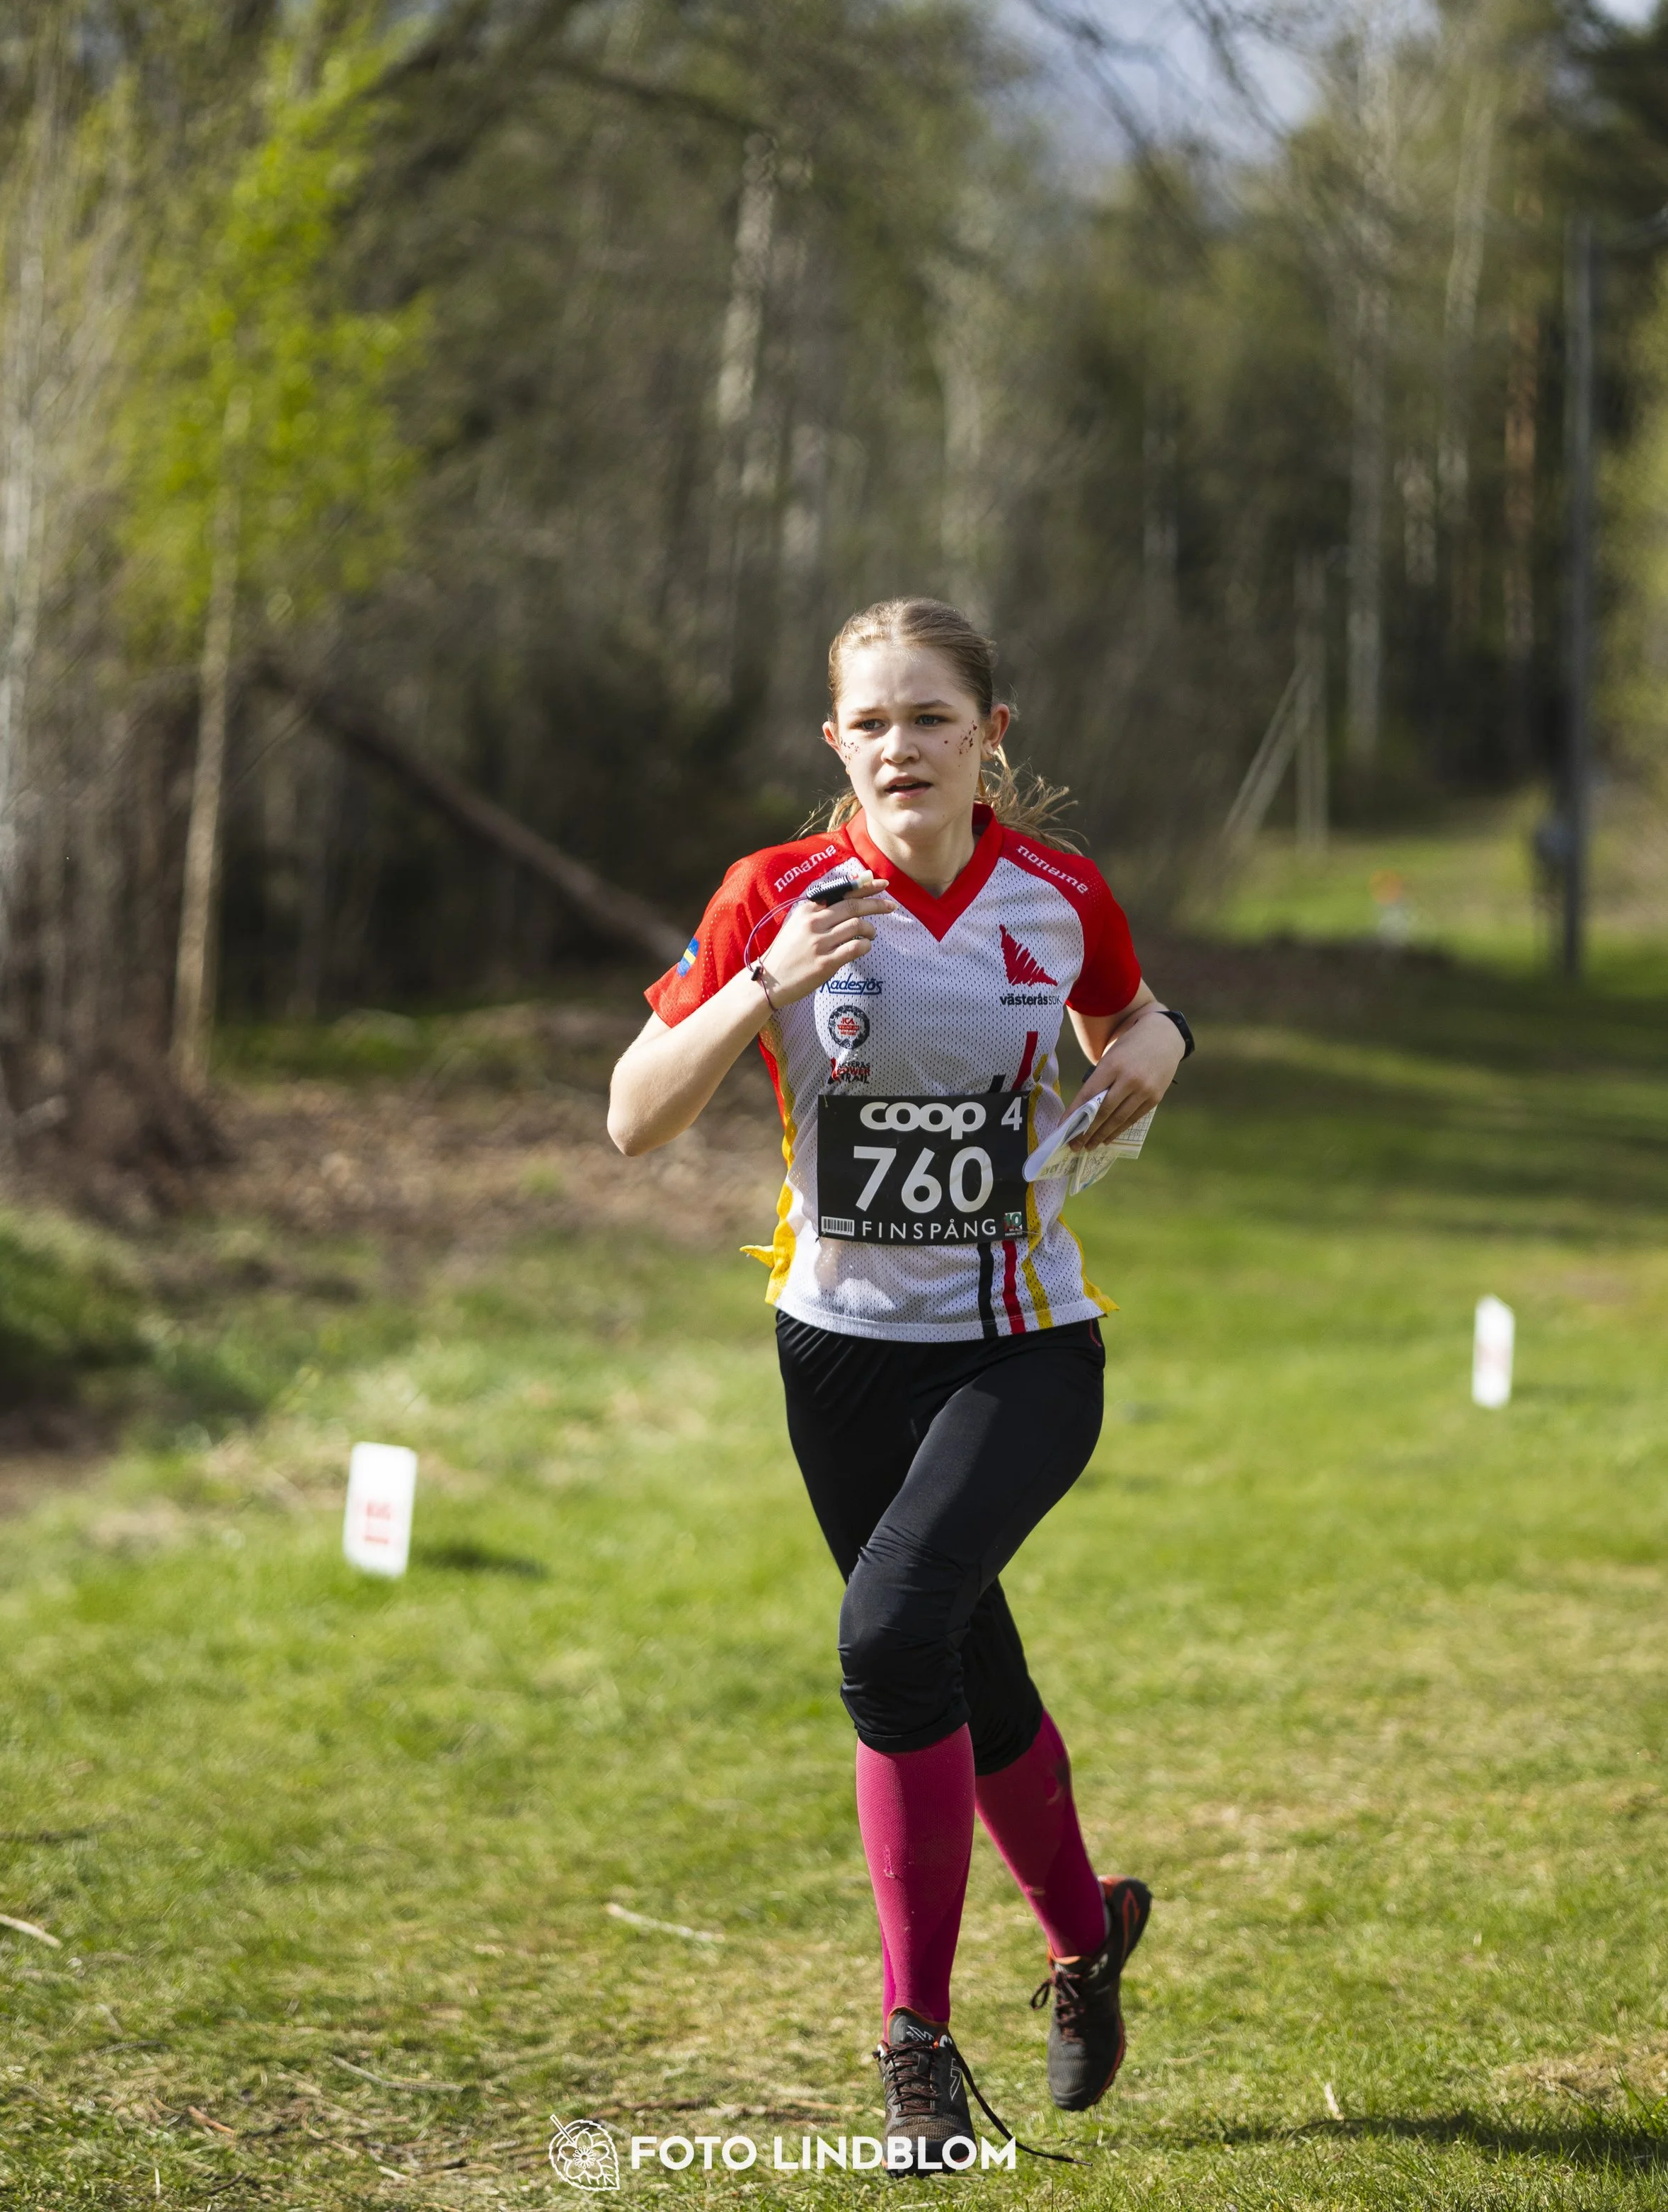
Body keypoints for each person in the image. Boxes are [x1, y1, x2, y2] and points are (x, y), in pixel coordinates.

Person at [607, 597, 1191, 2169]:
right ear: (833, 745)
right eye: (868, 722)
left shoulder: (1059, 894)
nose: (898, 747)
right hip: (837, 1353)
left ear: (987, 734)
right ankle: (1086, 1937)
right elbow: (631, 1116)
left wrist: (1164, 1043)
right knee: (957, 1667)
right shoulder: (774, 893)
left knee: (883, 1635)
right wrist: (758, 984)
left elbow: (1125, 1015)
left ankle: (913, 2050)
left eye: (928, 717)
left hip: (1018, 1346)